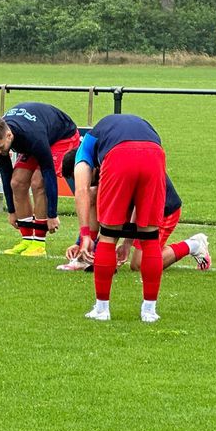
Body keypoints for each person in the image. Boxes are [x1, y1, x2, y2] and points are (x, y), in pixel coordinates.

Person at [72, 113, 168, 323]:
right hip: (155, 154)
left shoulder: (85, 147)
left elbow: (82, 190)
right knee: (150, 236)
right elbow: (136, 199)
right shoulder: (139, 126)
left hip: (118, 156)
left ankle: (101, 309)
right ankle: (149, 311)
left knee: (108, 235)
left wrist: (85, 235)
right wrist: (128, 242)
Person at [58, 157, 210, 274]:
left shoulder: (111, 168)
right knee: (93, 195)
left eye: (76, 176)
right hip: (139, 208)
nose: (79, 182)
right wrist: (81, 242)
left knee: (140, 265)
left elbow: (133, 205)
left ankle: (194, 245)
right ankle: (86, 254)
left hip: (162, 211)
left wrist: (127, 243)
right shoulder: (103, 164)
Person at [0, 103, 79, 257]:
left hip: (62, 137)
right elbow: (6, 175)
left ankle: (39, 243)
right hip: (40, 134)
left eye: (0, 147)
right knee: (17, 182)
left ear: (9, 135)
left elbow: (48, 173)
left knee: (38, 182)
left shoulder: (32, 135)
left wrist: (52, 214)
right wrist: (12, 211)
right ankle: (27, 240)